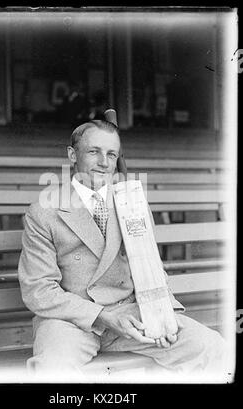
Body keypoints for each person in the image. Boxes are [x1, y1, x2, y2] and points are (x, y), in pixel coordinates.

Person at [18, 120, 227, 380]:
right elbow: (39, 290)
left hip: (132, 315)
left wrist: (163, 315)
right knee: (53, 367)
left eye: (112, 154)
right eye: (94, 151)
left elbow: (152, 267)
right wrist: (102, 316)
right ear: (72, 155)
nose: (104, 162)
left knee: (212, 347)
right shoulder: (44, 212)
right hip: (71, 321)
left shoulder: (134, 204)